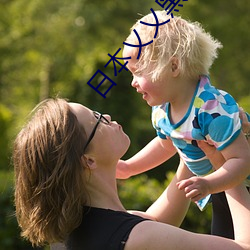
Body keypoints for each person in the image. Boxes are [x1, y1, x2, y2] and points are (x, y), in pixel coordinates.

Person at [13, 98, 250, 250]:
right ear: (88, 160)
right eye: (97, 120)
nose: (105, 116)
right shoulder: (138, 238)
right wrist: (226, 165)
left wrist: (190, 137)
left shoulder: (72, 234)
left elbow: (157, 221)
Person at [119, 10, 250, 238]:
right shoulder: (162, 110)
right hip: (220, 188)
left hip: (239, 185)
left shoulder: (211, 109)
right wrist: (130, 167)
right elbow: (166, 144)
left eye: (138, 72)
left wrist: (209, 184)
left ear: (173, 67)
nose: (133, 83)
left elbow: (242, 160)